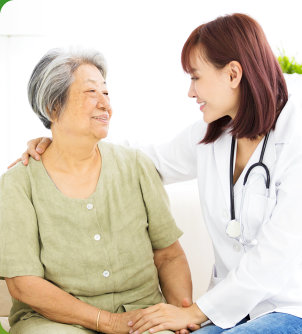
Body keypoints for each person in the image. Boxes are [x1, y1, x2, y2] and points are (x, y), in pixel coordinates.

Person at [13, 13, 302, 334]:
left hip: (294, 308)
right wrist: (61, 144)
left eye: (195, 77)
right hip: (234, 310)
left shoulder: (301, 149)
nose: (191, 92)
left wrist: (194, 311)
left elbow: (274, 258)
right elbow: (143, 160)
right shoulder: (214, 135)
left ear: (233, 74)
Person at [0, 48, 193, 334]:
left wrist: (180, 315)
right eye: (92, 92)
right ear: (54, 106)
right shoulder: (18, 184)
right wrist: (107, 321)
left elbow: (169, 255)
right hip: (54, 323)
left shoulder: (136, 165)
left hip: (140, 316)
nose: (106, 105)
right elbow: (24, 284)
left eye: (107, 93)